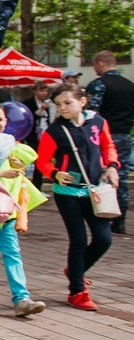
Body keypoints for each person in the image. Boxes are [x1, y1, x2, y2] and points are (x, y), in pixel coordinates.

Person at [36, 83, 120, 311]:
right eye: (58, 104)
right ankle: (77, 292)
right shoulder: (54, 131)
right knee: (79, 241)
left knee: (104, 239)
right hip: (68, 193)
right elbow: (42, 161)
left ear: (82, 101)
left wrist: (112, 166)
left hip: (95, 190)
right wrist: (55, 173)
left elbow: (108, 147)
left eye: (67, 103)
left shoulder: (98, 122)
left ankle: (75, 270)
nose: (62, 108)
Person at [0, 102, 45, 317]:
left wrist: (20, 168)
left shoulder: (11, 145)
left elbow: (22, 175)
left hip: (4, 211)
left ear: (6, 122)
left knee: (12, 253)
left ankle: (22, 298)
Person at [85, 50, 134, 233]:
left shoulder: (99, 84)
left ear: (100, 63)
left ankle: (100, 212)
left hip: (101, 136)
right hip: (124, 135)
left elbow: (91, 113)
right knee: (120, 176)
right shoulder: (130, 85)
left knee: (96, 173)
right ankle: (120, 219)